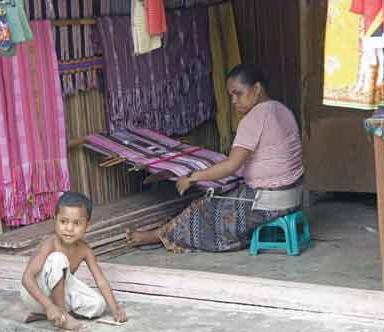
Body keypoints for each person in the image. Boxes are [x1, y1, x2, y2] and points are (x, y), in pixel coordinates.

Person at [126, 64, 304, 252]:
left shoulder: (254, 118)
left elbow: (231, 166)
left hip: (267, 203)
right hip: (293, 197)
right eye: (231, 96)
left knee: (202, 208)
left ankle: (155, 236)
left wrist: (191, 177)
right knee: (224, 196)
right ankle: (164, 231)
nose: (234, 101)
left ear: (257, 89)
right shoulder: (283, 110)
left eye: (239, 94)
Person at [21, 192, 126, 331]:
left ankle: (50, 314)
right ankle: (62, 316)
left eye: (76, 223)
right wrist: (49, 306)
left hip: (56, 298)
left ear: (87, 224)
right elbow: (26, 279)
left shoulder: (84, 249)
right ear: (55, 219)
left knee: (98, 305)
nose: (69, 228)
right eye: (63, 221)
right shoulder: (50, 243)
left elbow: (100, 280)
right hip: (35, 295)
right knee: (58, 258)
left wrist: (115, 308)